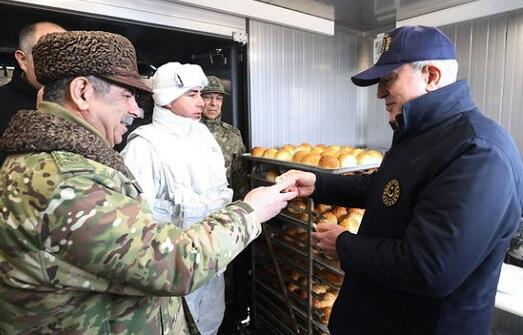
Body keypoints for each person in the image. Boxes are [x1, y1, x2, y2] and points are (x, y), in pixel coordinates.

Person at [0, 31, 297, 334]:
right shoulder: (66, 181)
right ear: (82, 92)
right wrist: (251, 211)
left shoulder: (66, 163)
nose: (135, 109)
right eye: (126, 95)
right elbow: (171, 264)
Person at [278, 25, 523, 335]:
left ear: (431, 76)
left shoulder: (477, 152)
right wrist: (320, 183)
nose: (380, 92)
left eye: (388, 79)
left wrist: (343, 244)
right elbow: (387, 189)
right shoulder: (419, 134)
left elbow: (429, 268)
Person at [121, 63, 235, 335]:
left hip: (211, 269)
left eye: (201, 93)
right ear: (166, 98)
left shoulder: (205, 138)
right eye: (192, 94)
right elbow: (135, 232)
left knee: (209, 324)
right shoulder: (143, 147)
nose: (201, 101)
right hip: (168, 279)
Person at [0, 22, 65, 160]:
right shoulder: (3, 106)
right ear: (23, 59)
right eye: (51, 54)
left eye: (68, 54)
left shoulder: (80, 103)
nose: (63, 63)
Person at [201, 76, 249, 200]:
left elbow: (239, 180)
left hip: (225, 208)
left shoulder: (232, 136)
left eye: (219, 98)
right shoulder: (186, 133)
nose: (214, 103)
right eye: (207, 97)